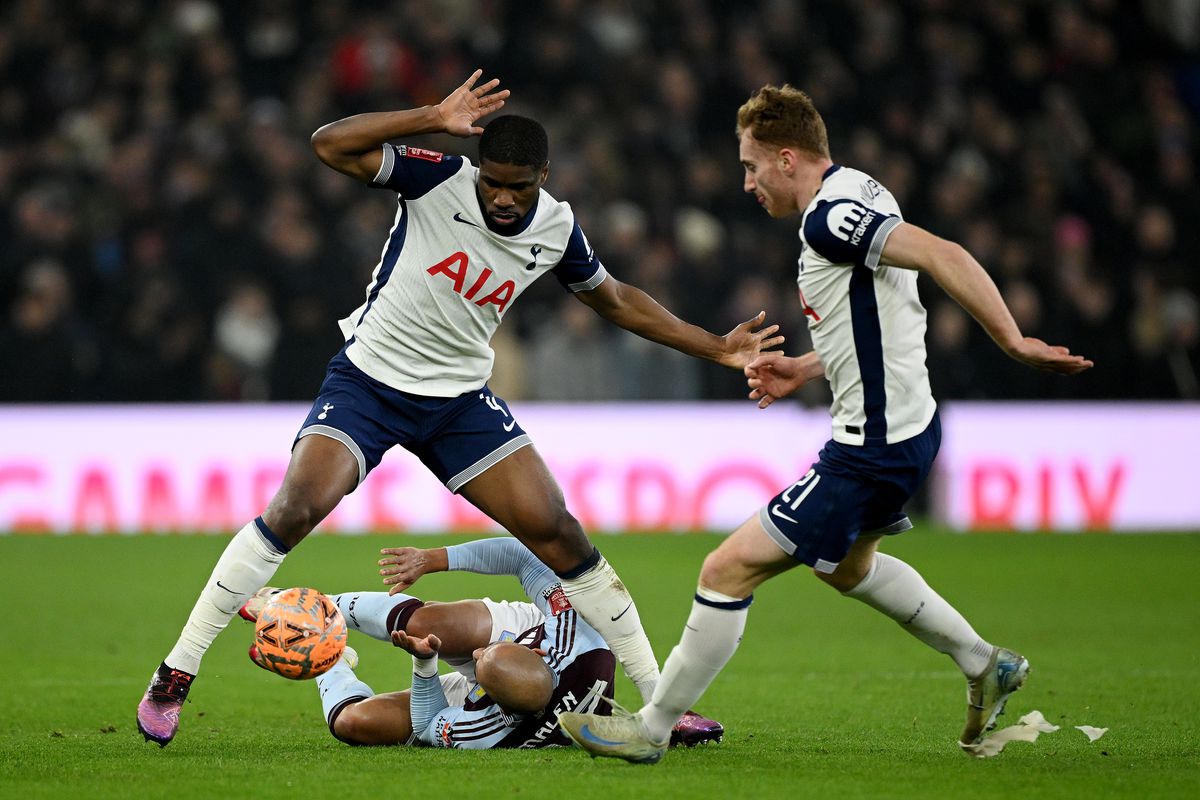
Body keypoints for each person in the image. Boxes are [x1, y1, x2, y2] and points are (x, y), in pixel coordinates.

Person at [137, 70, 778, 746]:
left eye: (518, 186)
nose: (502, 198)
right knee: (294, 508)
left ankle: (660, 707)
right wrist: (428, 116)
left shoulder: (556, 228)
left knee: (559, 530)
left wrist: (717, 348)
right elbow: (328, 144)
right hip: (369, 384)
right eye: (492, 181)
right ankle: (175, 676)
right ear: (478, 167)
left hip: (458, 404)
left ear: (544, 176)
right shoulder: (435, 178)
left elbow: (615, 299)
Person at [559, 84, 1093, 762]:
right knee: (844, 568)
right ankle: (984, 663)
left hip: (869, 448)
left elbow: (944, 255)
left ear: (788, 158)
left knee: (726, 570)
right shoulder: (863, 190)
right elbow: (878, 316)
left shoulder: (828, 219)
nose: (746, 181)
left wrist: (1015, 342)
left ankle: (650, 729)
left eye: (752, 166)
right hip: (911, 430)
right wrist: (808, 369)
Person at [239, 537, 721, 748]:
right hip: (523, 633)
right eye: (487, 657)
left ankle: (323, 654)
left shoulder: (490, 731)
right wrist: (436, 558)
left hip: (485, 703)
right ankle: (306, 605)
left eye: (479, 665)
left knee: (353, 723)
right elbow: (521, 556)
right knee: (434, 623)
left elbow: (430, 725)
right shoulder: (577, 635)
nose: (470, 662)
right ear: (536, 653)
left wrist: (426, 665)